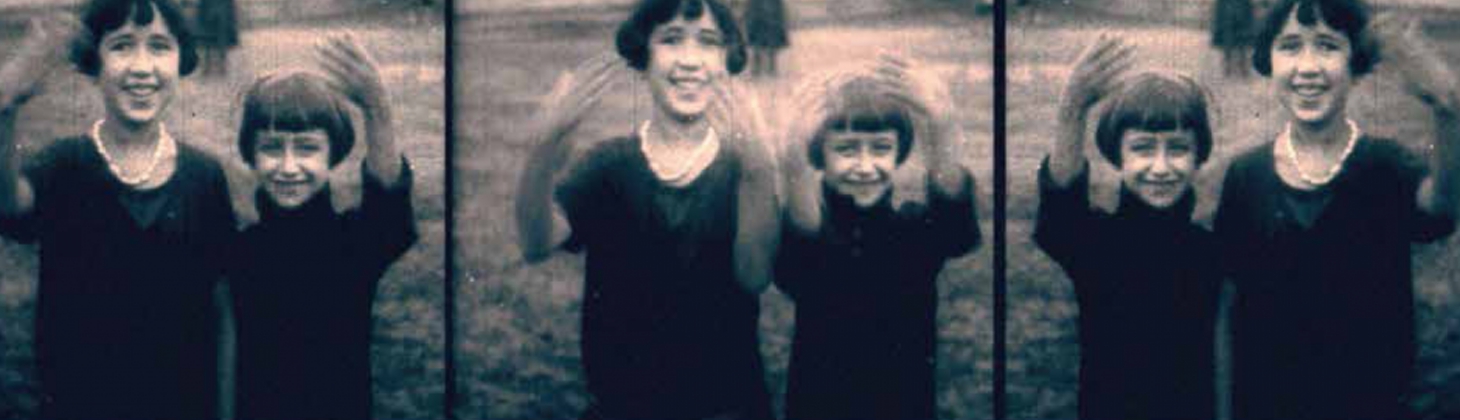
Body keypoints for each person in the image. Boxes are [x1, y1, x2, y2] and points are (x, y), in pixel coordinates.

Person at [512, 0, 780, 418]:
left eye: (708, 42)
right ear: (643, 58)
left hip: (725, 407)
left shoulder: (745, 168)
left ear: (726, 60)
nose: (690, 59)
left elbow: (754, 274)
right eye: (671, 39)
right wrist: (545, 145)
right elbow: (536, 242)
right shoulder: (609, 165)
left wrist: (760, 168)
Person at [1214, 0, 1460, 418]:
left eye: (1327, 46)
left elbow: (1442, 207)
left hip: (1366, 403)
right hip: (1266, 403)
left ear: (1355, 63)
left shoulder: (1385, 165)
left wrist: (1447, 109)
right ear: (1269, 60)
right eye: (1290, 46)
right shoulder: (1245, 176)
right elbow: (1227, 305)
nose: (1308, 67)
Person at [0, 0, 237, 418]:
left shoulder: (205, 177)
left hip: (182, 404)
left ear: (181, 59)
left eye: (159, 46)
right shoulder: (64, 165)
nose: (142, 67)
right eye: (122, 46)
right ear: (95, 62)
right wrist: (6, 105)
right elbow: (9, 205)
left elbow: (222, 309)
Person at [773, 54, 982, 420]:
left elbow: (956, 231)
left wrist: (942, 124)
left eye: (881, 148)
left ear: (899, 151)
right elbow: (805, 247)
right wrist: (794, 153)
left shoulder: (912, 230)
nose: (866, 166)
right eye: (846, 149)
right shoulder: (813, 228)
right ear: (819, 155)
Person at [228, 33, 416, 420]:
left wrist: (378, 109)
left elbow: (388, 213)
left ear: (333, 153)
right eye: (272, 147)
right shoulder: (236, 249)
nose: (289, 167)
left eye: (307, 148)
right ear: (250, 153)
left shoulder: (351, 244)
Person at [1034, 36, 1222, 420]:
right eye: (1143, 148)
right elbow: (1060, 212)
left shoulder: (1213, 249)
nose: (1160, 167)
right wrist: (1072, 109)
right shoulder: (1098, 243)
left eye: (1177, 148)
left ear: (1199, 155)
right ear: (1117, 154)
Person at [192, 0, 238, 77]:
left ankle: (221, 66)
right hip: (209, 11)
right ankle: (207, 66)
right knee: (208, 40)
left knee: (221, 40)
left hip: (221, 14)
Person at [1212, 0, 1256, 78]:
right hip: (1228, 20)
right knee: (1227, 45)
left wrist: (1250, 24)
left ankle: (1243, 67)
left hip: (1242, 20)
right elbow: (1219, 11)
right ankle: (1227, 67)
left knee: (1242, 45)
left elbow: (1249, 10)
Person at [743, 0, 787, 77]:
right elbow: (750, 13)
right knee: (758, 49)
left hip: (769, 23)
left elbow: (779, 13)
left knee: (770, 50)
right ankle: (758, 70)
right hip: (760, 23)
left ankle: (770, 70)